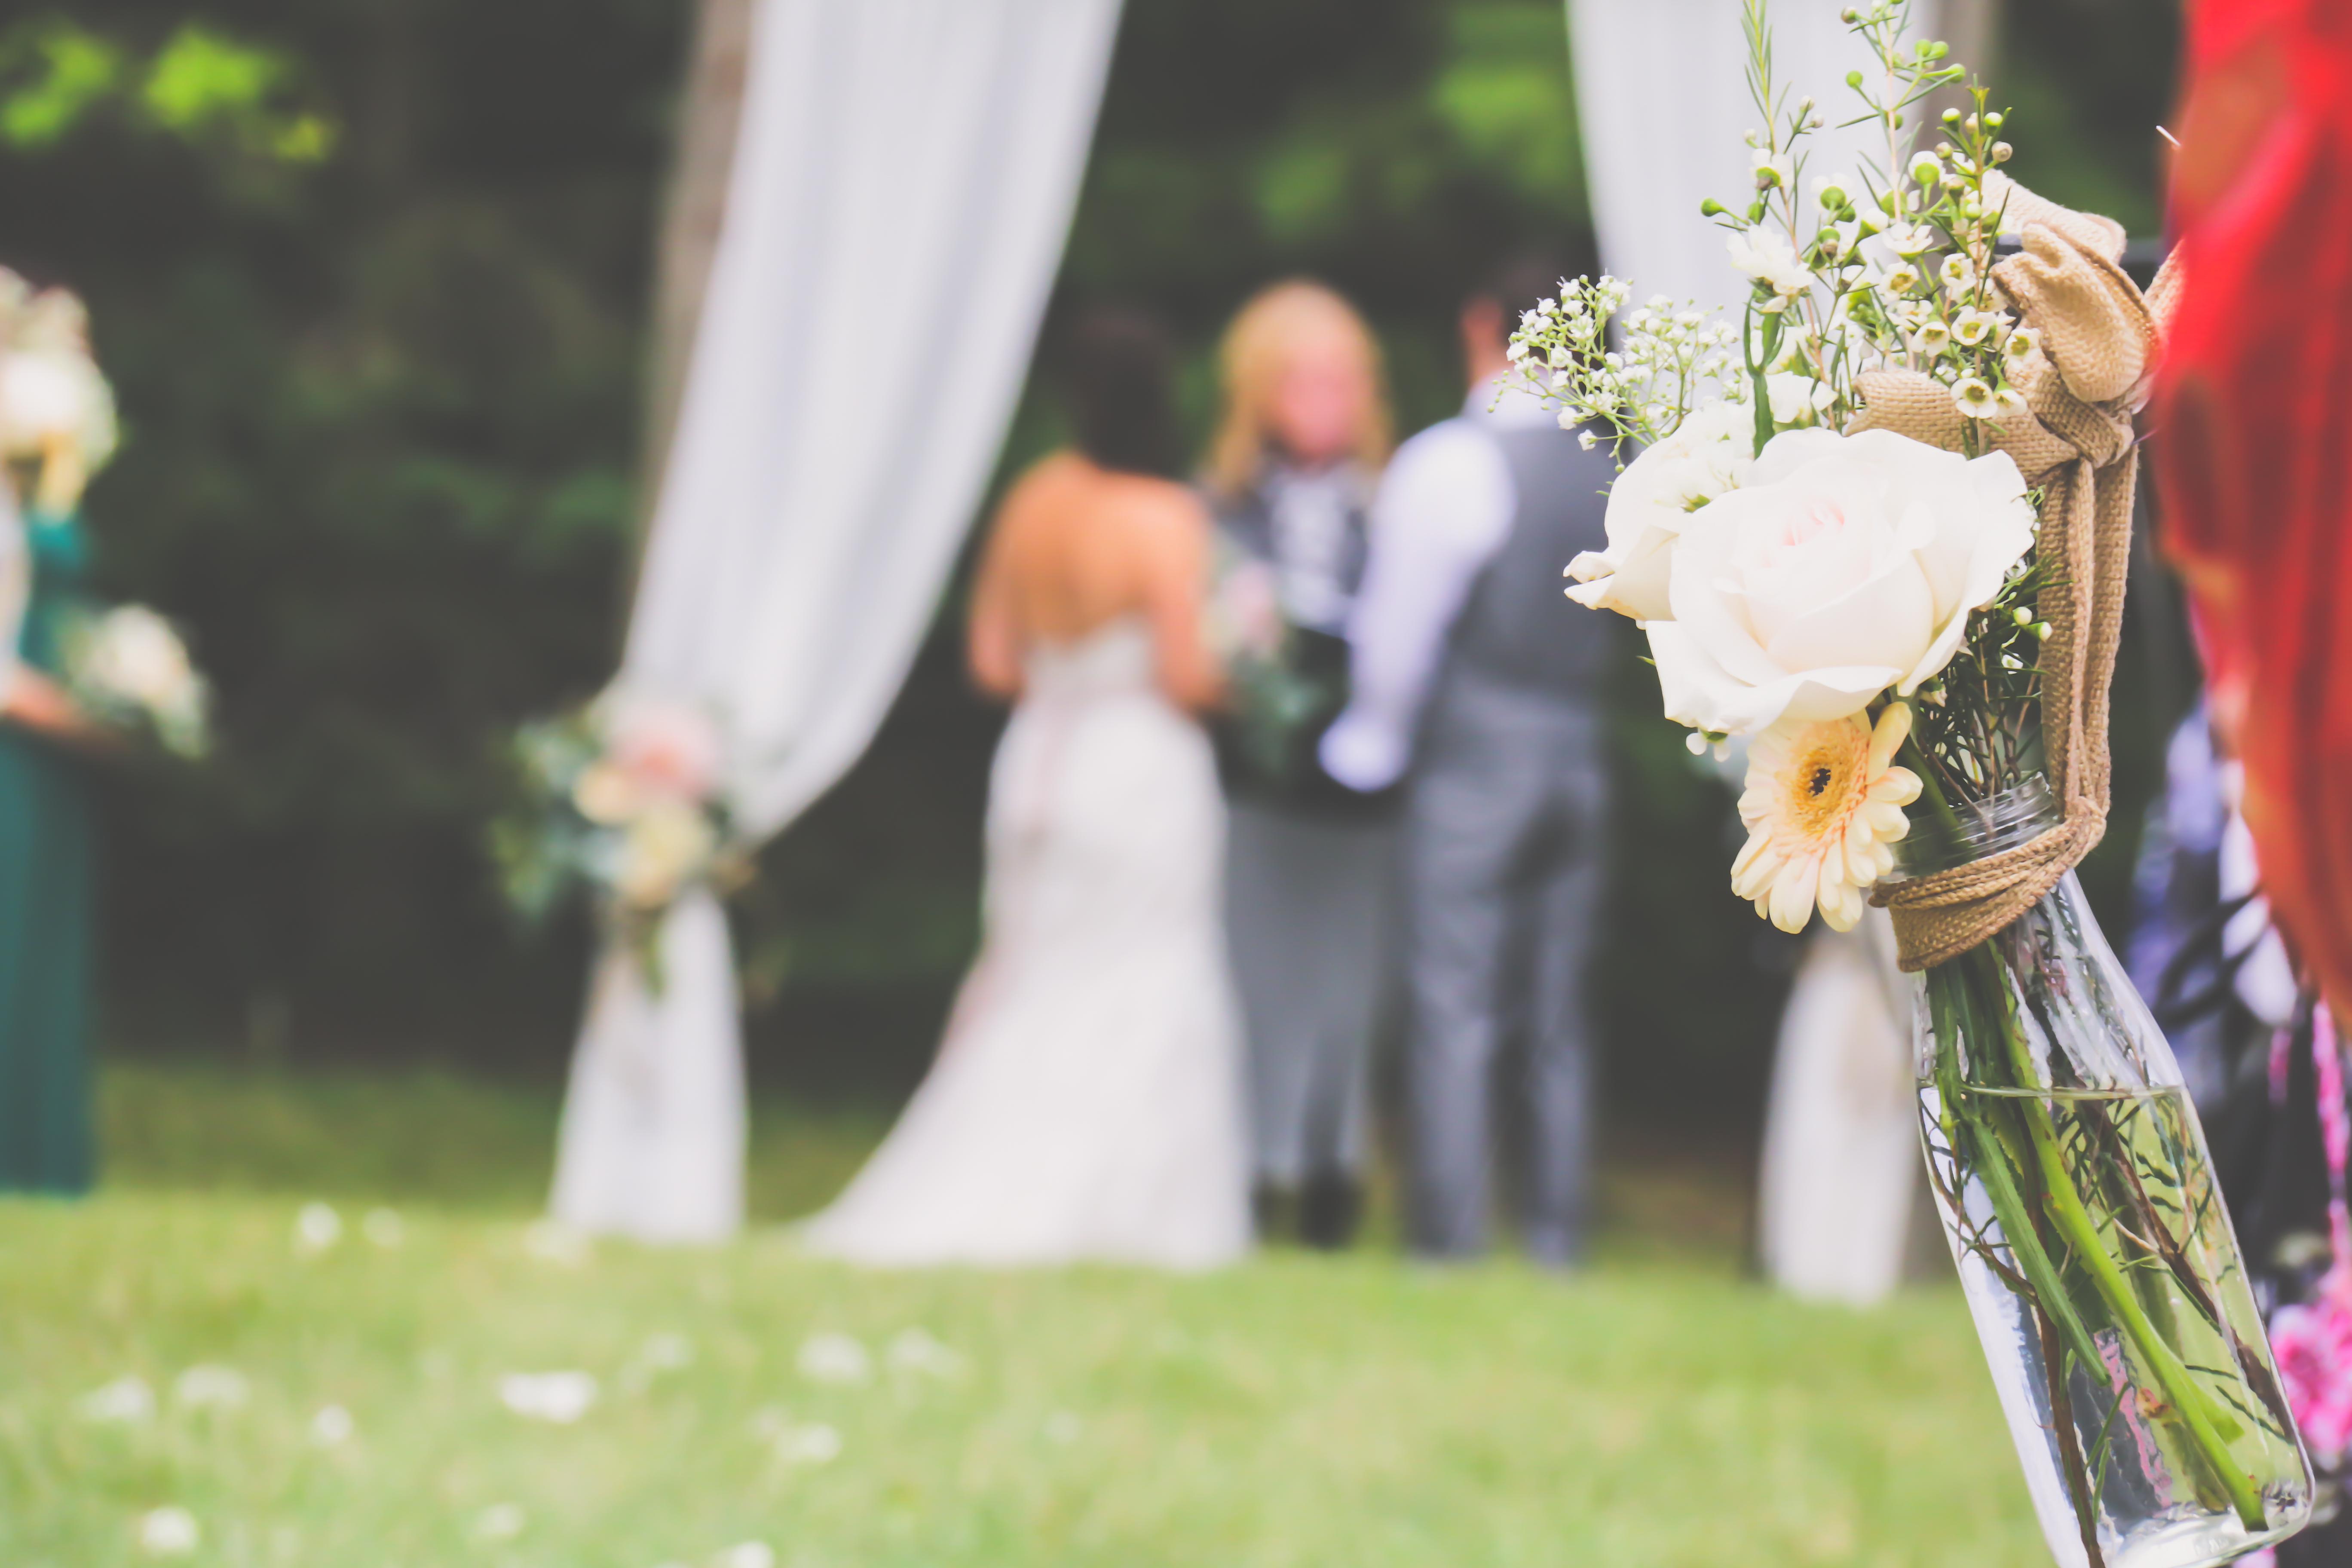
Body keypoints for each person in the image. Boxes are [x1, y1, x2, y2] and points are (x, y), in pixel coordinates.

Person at [801, 305, 1249, 1269]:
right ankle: (1128, 1211)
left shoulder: (1032, 502)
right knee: (1142, 971)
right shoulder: (1166, 519)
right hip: (1139, 766)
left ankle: (987, 1170)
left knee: (1034, 972)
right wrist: (1248, 667)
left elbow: (995, 665)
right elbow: (1186, 675)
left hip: (1043, 757)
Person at [1320, 252, 1618, 1267]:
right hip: (1583, 747)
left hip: (1477, 750)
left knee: (1456, 999)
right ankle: (1554, 1240)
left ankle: (1447, 1240)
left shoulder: (1456, 459)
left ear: (1482, 322)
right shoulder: (1619, 462)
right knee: (1559, 1009)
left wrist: (1373, 742)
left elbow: (1398, 634)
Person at [1202, 281, 1396, 1250]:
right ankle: (1251, 1168)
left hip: (1364, 806)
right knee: (1253, 980)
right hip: (1259, 791)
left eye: (1342, 381)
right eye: (1303, 381)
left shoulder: (1396, 502)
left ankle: (1334, 1173)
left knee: (1348, 992)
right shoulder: (1218, 506)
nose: (1326, 400)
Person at [0, 278, 115, 1196]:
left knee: (39, 951)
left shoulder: (42, 490)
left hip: (48, 764)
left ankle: (39, 1155)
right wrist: (69, 712)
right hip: (17, 748)